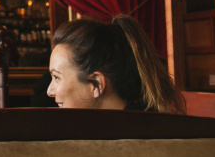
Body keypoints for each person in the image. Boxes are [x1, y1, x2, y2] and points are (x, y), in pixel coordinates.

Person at [47, 14, 184, 113]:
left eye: (57, 77)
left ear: (96, 84)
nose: (49, 91)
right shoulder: (145, 124)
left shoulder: (133, 138)